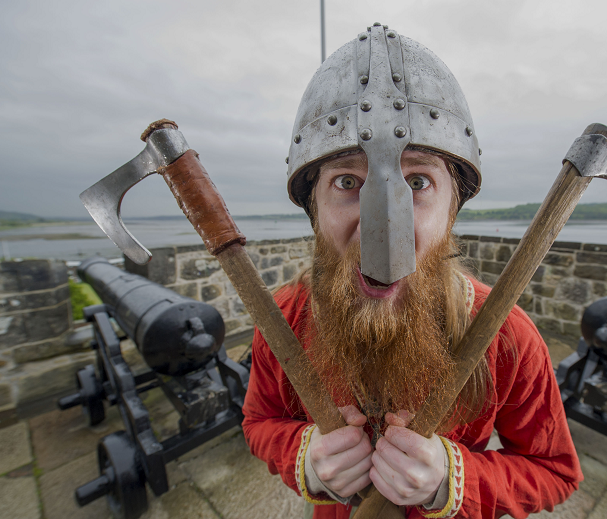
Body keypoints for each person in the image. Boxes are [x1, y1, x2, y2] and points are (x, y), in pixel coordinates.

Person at [242, 23, 582, 519]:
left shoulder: (508, 336)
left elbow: (554, 471)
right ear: (312, 205)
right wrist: (305, 458)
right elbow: (259, 423)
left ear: (453, 206)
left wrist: (454, 479)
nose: (382, 225)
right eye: (345, 180)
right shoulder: (284, 320)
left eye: (418, 180)